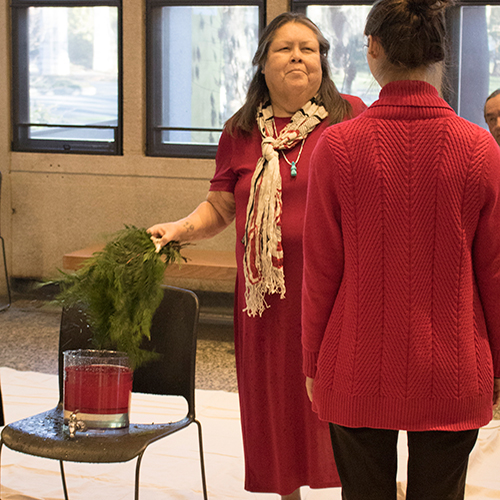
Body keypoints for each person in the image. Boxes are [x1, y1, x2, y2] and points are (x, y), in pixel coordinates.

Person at [148, 12, 367, 499]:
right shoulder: (242, 129)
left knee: (343, 403)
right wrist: (179, 230)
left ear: (323, 63)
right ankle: (287, 493)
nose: (296, 57)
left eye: (308, 49)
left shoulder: (351, 116)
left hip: (335, 293)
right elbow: (222, 205)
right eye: (284, 48)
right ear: (262, 64)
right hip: (264, 300)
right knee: (276, 405)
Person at [301, 0, 500, 499]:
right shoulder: (480, 149)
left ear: (372, 49)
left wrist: (311, 362)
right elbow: (495, 273)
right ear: (442, 54)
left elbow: (320, 270)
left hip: (354, 362)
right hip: (455, 368)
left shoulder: (337, 146)